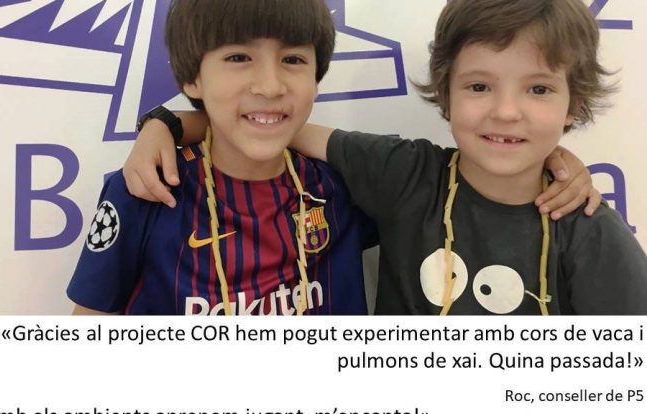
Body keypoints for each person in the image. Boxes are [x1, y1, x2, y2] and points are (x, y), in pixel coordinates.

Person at [124, 0, 647, 314]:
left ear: (572, 104)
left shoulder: (589, 230)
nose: (507, 112)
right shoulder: (406, 174)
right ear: (446, 94)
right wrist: (167, 123)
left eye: (538, 90)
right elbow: (275, 125)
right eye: (479, 86)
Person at [67, 0, 373, 315]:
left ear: (315, 79)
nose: (270, 87)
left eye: (293, 59)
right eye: (238, 57)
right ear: (192, 79)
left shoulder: (344, 188)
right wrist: (165, 123)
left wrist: (170, 123)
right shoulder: (147, 190)